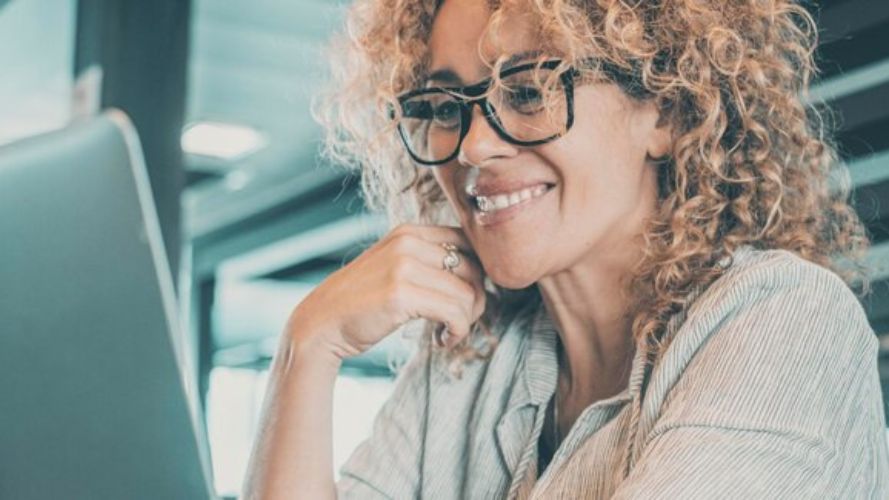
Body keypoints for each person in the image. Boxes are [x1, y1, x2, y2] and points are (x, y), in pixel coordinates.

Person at [241, 0, 889, 498]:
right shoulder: (474, 359)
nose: (471, 146)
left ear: (663, 111)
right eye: (443, 107)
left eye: (526, 91)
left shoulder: (783, 319)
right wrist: (309, 345)